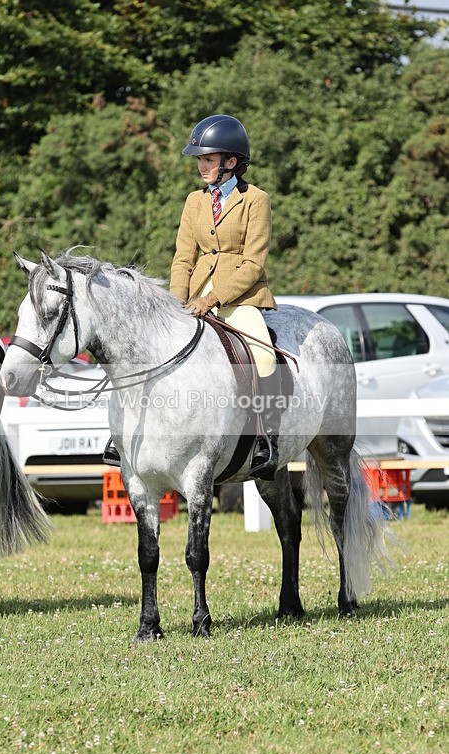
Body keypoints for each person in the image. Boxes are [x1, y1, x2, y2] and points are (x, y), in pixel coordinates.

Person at [170, 114, 279, 480]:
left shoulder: (256, 200)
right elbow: (184, 258)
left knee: (263, 356)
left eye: (208, 159)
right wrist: (176, 303)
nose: (201, 166)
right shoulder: (194, 202)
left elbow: (253, 263)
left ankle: (266, 438)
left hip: (242, 298)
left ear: (230, 162)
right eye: (200, 159)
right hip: (196, 295)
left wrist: (214, 298)